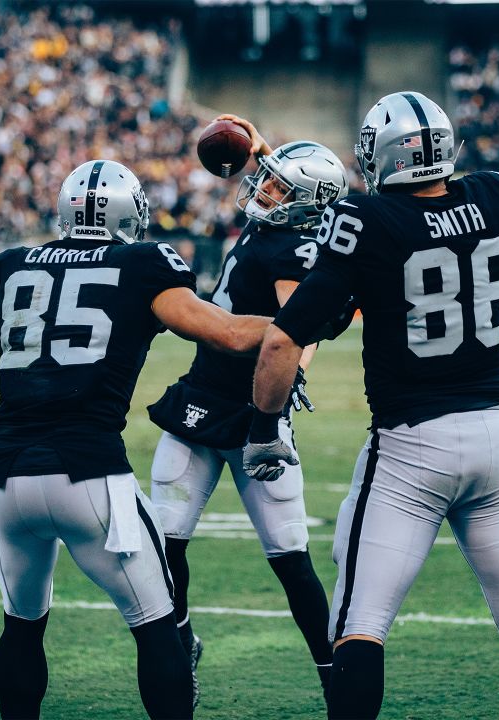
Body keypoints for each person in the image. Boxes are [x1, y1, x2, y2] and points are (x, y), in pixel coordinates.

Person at [0, 159, 273, 719]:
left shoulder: (12, 265)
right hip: (91, 475)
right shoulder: (142, 261)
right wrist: (300, 323)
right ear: (131, 214)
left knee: (22, 628)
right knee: (159, 627)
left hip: (7, 483)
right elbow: (226, 334)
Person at [243, 91, 499, 720]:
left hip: (410, 444)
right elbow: (455, 208)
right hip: (493, 437)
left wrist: (264, 428)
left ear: (381, 156)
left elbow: (284, 339)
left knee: (359, 626)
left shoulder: (366, 221)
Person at [147, 115, 348, 703]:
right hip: (201, 396)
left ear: (305, 203)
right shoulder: (279, 222)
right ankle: (180, 641)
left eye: (279, 187)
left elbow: (300, 321)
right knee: (166, 544)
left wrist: (296, 371)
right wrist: (262, 148)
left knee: (289, 559)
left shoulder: (293, 244)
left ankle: (334, 676)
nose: (263, 189)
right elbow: (285, 186)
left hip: (253, 409)